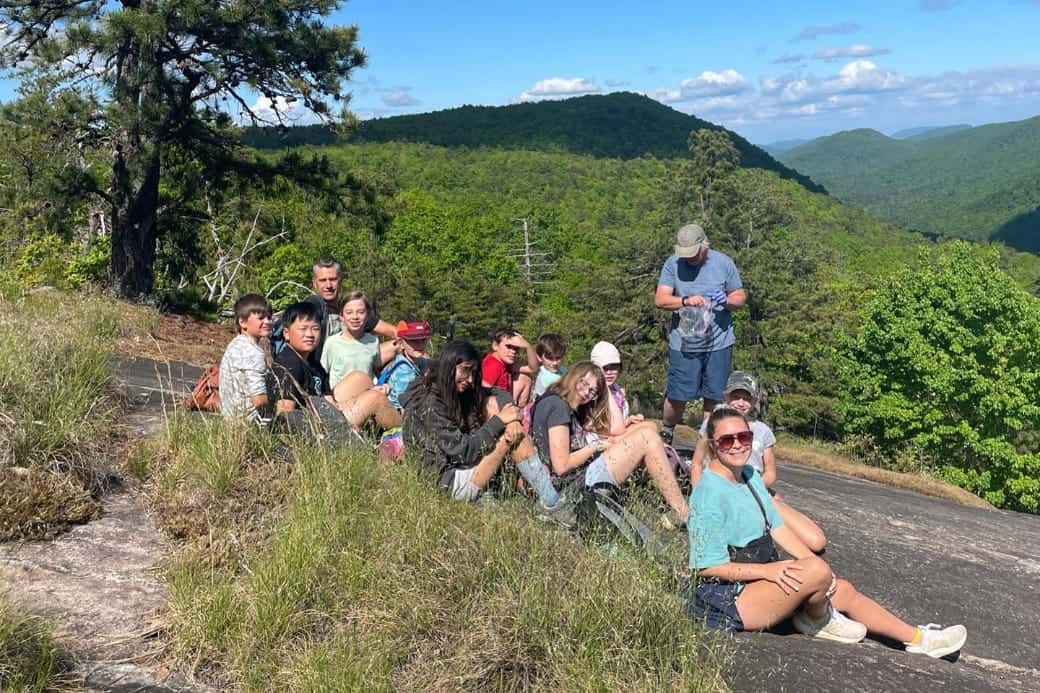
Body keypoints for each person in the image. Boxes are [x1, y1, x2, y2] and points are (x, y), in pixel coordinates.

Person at [686, 406, 968, 659]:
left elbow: (778, 528)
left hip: (761, 579)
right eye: (727, 440)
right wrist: (772, 572)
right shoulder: (708, 494)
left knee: (840, 587)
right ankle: (817, 619)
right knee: (816, 574)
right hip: (728, 599)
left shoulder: (749, 476)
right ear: (713, 445)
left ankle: (920, 639)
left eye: (743, 437)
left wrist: (820, 570)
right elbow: (707, 567)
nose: (737, 445)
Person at [401, 340, 571, 522]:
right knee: (514, 438)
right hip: (446, 483)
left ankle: (534, 496)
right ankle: (553, 505)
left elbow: (496, 392)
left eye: (473, 373)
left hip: (458, 468)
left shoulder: (446, 387)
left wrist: (511, 417)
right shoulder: (431, 404)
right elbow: (462, 452)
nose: (470, 380)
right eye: (465, 370)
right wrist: (499, 422)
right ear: (449, 365)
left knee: (490, 403)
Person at [528, 361, 689, 521]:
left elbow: (617, 430)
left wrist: (606, 389)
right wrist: (595, 447)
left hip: (579, 475)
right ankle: (684, 513)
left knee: (648, 428)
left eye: (592, 392)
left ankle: (669, 498)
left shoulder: (565, 404)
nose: (585, 393)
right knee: (647, 438)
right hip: (570, 489)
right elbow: (561, 466)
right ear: (574, 376)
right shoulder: (558, 407)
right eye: (583, 384)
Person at [690, 372, 826, 552]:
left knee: (817, 542)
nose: (740, 402)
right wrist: (697, 498)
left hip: (754, 488)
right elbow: (697, 464)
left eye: (746, 398)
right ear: (726, 396)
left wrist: (754, 489)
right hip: (722, 490)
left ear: (754, 401)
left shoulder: (762, 431)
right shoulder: (712, 424)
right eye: (736, 396)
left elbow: (770, 473)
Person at [654, 223, 746, 445]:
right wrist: (684, 300)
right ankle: (667, 431)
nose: (690, 259)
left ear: (704, 247)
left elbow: (739, 296)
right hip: (684, 341)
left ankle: (707, 442)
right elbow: (661, 299)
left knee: (714, 396)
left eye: (694, 254)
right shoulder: (672, 265)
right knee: (677, 394)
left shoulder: (723, 263)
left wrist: (726, 302)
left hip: (718, 342)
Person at [320, 290, 402, 433]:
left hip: (367, 394)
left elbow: (375, 370)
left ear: (367, 315)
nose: (355, 317)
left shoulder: (372, 341)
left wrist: (384, 385)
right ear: (342, 315)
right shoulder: (332, 343)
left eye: (360, 312)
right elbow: (324, 374)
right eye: (349, 312)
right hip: (342, 399)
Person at [268, 301, 347, 436]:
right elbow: (285, 416)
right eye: (303, 329)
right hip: (314, 430)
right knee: (374, 399)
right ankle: (394, 439)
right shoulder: (288, 365)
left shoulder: (314, 364)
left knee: (359, 378)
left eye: (315, 329)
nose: (310, 334)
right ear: (286, 334)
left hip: (327, 417)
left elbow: (327, 398)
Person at [301, 256, 397, 363]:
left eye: (333, 279)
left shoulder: (351, 311)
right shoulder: (312, 305)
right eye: (323, 280)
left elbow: (394, 332)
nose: (328, 285)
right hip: (324, 372)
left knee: (399, 345)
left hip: (354, 365)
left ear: (340, 279)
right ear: (314, 283)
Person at [218, 294, 273, 424]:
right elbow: (259, 400)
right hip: (250, 423)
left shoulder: (236, 344)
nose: (267, 322)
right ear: (242, 322)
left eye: (269, 317)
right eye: (261, 318)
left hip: (231, 419)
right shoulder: (253, 353)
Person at [590, 341, 644, 436]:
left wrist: (630, 419)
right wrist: (627, 422)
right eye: (605, 368)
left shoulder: (617, 390)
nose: (610, 372)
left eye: (614, 367)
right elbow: (599, 429)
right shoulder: (591, 394)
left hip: (617, 434)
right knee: (647, 433)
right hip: (601, 441)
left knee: (649, 427)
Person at [381, 320, 433, 411]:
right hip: (396, 412)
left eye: (423, 340)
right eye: (414, 341)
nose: (420, 345)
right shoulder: (404, 372)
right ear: (401, 344)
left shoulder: (419, 360)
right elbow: (402, 406)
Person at [482, 327, 539, 406]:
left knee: (524, 378)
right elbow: (484, 391)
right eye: (508, 347)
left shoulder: (506, 363)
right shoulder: (492, 364)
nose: (513, 351)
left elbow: (533, 368)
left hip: (504, 399)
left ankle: (519, 410)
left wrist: (528, 347)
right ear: (495, 345)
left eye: (516, 348)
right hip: (495, 406)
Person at [532, 333, 567, 398]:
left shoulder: (562, 369)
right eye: (550, 358)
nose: (555, 363)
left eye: (558, 358)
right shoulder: (545, 378)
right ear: (539, 357)